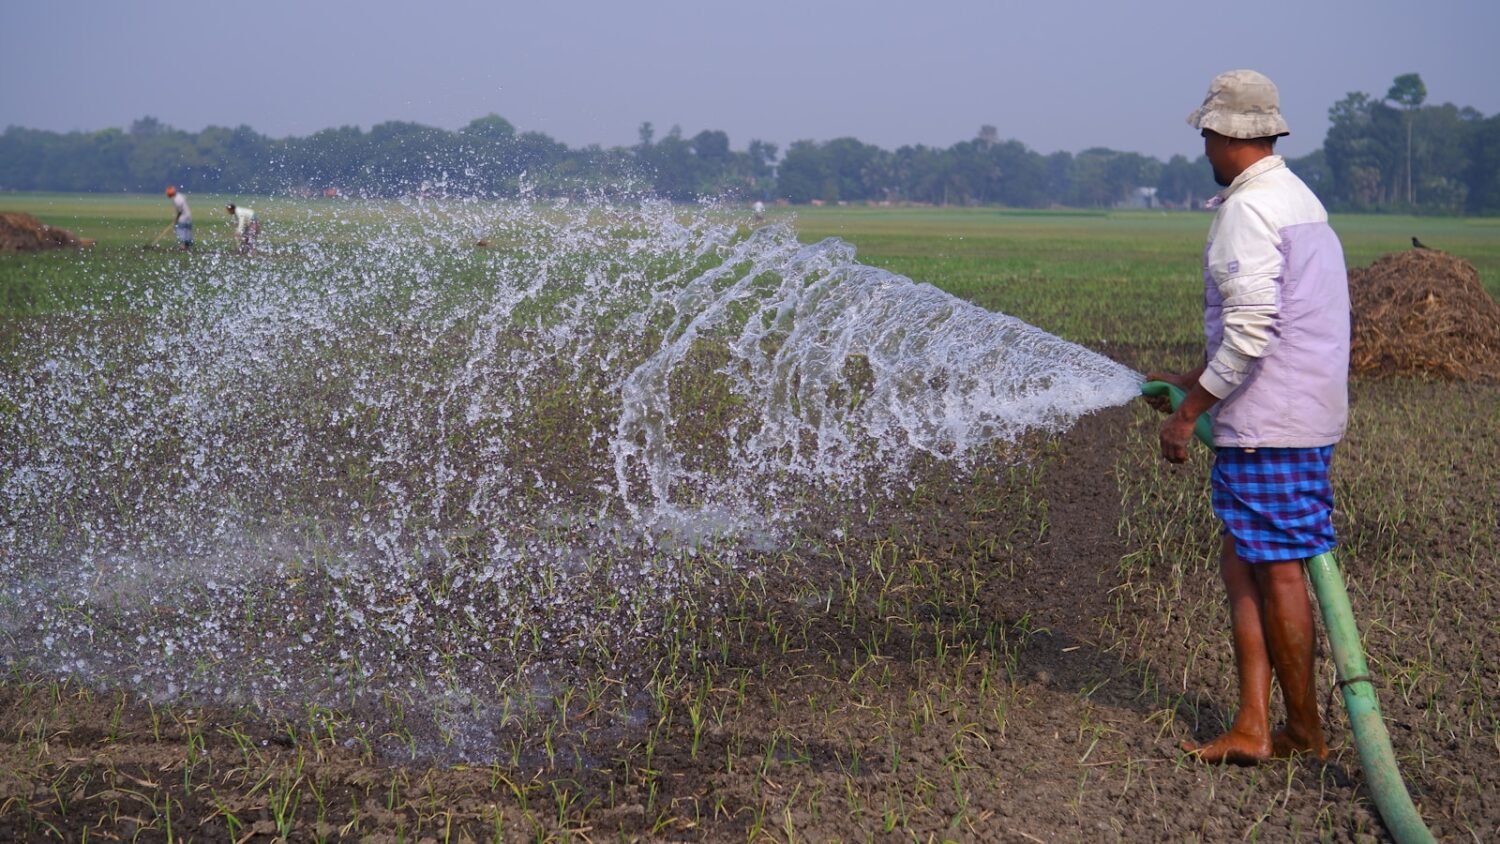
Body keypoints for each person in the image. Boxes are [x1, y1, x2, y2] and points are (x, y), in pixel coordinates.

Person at [1146, 69, 1349, 765]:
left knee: (1279, 569)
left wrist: (1188, 414)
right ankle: (1254, 725)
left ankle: (1303, 731)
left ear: (1227, 134)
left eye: (1207, 131)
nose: (1203, 143)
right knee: (1246, 563)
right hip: (1296, 411)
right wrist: (1185, 384)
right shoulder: (1298, 199)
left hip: (1271, 424)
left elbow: (1252, 331)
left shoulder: (1248, 210)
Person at [166, 186, 192, 250]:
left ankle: (183, 246)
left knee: (181, 230)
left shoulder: (176, 200)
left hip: (183, 217)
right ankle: (186, 245)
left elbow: (180, 211)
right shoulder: (180, 196)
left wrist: (176, 219)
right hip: (188, 216)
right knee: (187, 231)